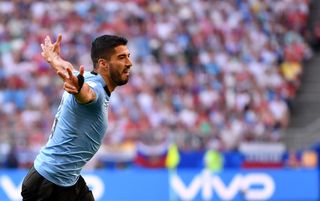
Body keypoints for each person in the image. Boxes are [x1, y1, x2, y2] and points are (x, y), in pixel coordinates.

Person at [21, 34, 133, 201]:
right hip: (48, 186)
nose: (129, 63)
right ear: (103, 63)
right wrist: (78, 88)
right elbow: (86, 94)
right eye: (122, 58)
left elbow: (65, 67)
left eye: (128, 57)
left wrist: (53, 57)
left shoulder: (87, 77)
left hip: (67, 180)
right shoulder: (95, 91)